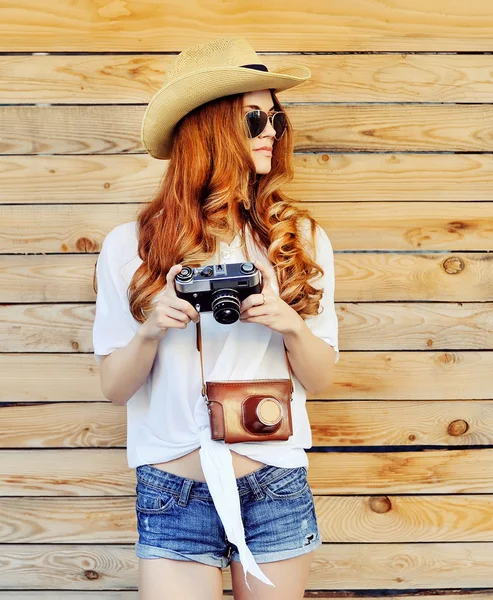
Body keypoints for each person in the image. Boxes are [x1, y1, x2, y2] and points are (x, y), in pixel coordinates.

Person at [92, 36, 339, 600]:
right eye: (254, 119)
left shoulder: (296, 239)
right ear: (210, 127)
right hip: (173, 490)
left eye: (276, 117)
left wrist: (289, 323)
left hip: (272, 482)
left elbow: (321, 379)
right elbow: (114, 387)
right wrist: (152, 329)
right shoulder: (131, 246)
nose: (272, 132)